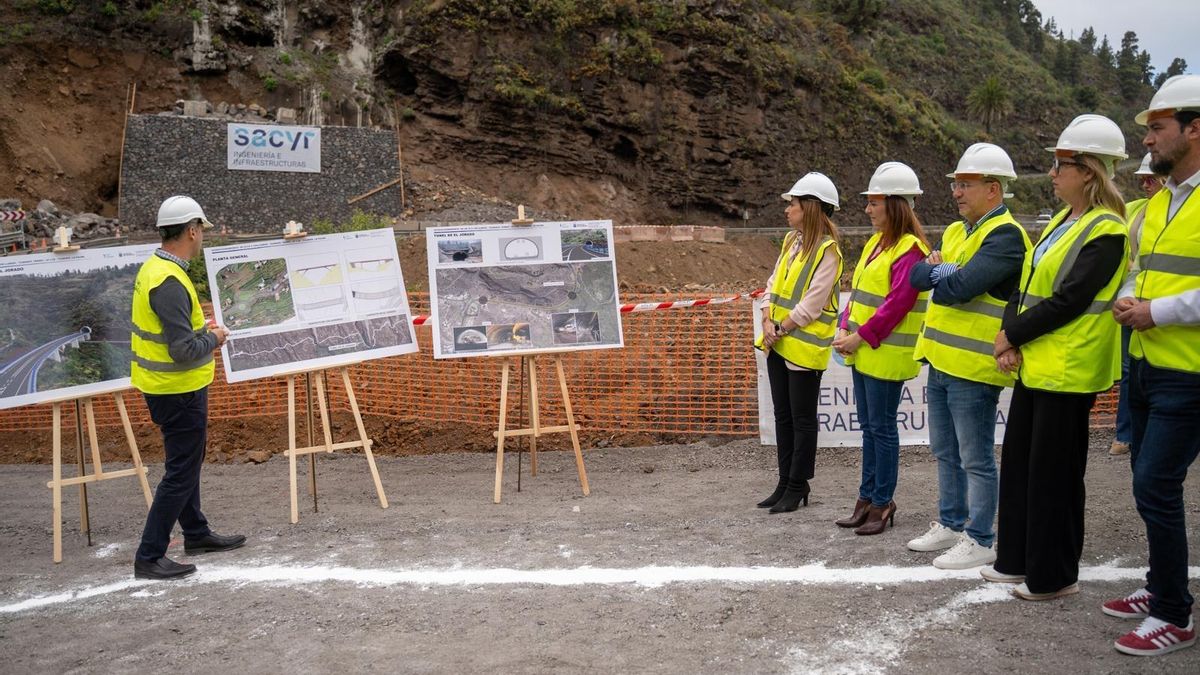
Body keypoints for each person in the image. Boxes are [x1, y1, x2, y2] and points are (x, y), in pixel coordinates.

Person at [989, 114, 1129, 601]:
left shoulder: (1107, 230)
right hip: (1040, 362)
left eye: (1061, 164)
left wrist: (1012, 336)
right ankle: (1016, 560)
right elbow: (1027, 285)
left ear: (1089, 170)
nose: (1051, 172)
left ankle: (1053, 576)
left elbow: (1069, 299)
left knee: (1055, 477)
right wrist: (1012, 334)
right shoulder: (1060, 222)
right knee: (1023, 467)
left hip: (1070, 369)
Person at [1105, 74, 1200, 657]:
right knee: (1150, 486)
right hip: (1146, 364)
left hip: (1188, 372)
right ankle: (1159, 585)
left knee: (1155, 484)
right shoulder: (1161, 201)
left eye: (1158, 128)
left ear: (1195, 128)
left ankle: (1173, 614)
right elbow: (1150, 269)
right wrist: (1133, 300)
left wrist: (1155, 312)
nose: (1149, 141)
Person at [907, 143, 1030, 569]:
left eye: (965, 185)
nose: (956, 192)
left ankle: (980, 537)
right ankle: (951, 522)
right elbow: (917, 275)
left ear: (993, 189)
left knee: (975, 456)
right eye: (956, 184)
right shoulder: (959, 231)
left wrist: (946, 272)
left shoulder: (1007, 236)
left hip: (975, 368)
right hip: (941, 362)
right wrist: (946, 270)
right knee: (945, 450)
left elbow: (959, 289)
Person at [131, 195, 245, 580]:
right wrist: (214, 338)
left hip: (169, 386)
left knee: (186, 464)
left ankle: (195, 533)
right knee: (180, 471)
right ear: (192, 230)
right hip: (176, 389)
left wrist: (202, 331)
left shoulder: (156, 269)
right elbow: (182, 350)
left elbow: (173, 335)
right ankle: (149, 555)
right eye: (202, 232)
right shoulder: (169, 281)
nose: (202, 240)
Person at [832, 162, 929, 535]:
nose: (868, 210)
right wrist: (845, 325)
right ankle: (867, 499)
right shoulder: (877, 243)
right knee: (870, 429)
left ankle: (882, 502)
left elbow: (896, 305)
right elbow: (858, 293)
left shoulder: (911, 250)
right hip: (865, 351)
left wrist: (859, 336)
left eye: (875, 203)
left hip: (885, 354)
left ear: (896, 204)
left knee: (882, 429)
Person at [755, 172, 844, 513]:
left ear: (810, 206)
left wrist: (781, 326)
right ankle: (784, 483)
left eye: (793, 203)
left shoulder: (828, 250)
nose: (787, 209)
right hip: (778, 341)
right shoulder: (791, 242)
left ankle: (797, 484)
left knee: (803, 419)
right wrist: (766, 316)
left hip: (802, 346)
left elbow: (813, 301)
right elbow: (773, 283)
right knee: (783, 416)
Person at [1109, 153, 1165, 456]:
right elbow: (1132, 264)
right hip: (1133, 304)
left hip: (1169, 309)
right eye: (1142, 179)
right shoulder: (1134, 211)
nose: (1144, 184)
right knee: (1130, 372)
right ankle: (1126, 434)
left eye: (1150, 178)